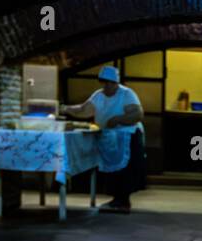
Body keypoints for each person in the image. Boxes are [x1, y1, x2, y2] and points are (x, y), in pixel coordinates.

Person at [59, 65, 146, 213]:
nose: (106, 86)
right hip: (109, 137)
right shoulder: (98, 95)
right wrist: (65, 108)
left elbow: (137, 114)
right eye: (104, 82)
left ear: (116, 83)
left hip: (127, 137)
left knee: (125, 170)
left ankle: (123, 201)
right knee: (113, 170)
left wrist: (119, 119)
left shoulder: (126, 94)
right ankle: (117, 200)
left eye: (109, 83)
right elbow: (83, 110)